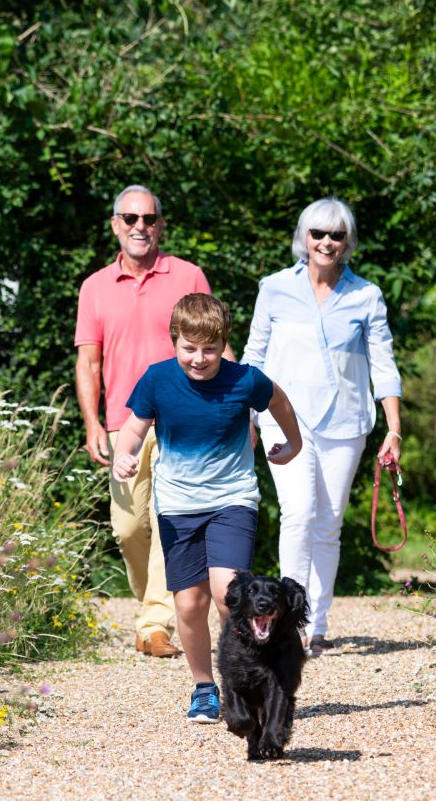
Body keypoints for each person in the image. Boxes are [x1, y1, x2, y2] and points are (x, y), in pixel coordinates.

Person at [112, 293, 301, 722]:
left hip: (232, 499)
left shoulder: (244, 380)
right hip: (178, 506)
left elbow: (280, 402)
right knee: (188, 606)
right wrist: (126, 454)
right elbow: (134, 428)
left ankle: (246, 680)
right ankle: (203, 688)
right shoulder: (157, 380)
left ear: (223, 344)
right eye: (190, 349)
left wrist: (293, 442)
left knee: (227, 593)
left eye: (210, 349)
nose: (200, 359)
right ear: (174, 341)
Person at [241, 198, 402, 656]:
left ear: (347, 241)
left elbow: (384, 366)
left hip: (345, 423)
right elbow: (254, 357)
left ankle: (318, 623)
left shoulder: (365, 295)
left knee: (327, 524)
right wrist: (247, 415)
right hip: (281, 417)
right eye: (318, 234)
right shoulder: (274, 289)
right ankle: (286, 623)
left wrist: (393, 429)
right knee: (297, 512)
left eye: (336, 235)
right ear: (303, 238)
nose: (326, 242)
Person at [75, 185, 215, 658]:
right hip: (123, 424)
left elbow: (213, 346)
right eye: (131, 218)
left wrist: (238, 409)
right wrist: (93, 423)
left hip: (184, 419)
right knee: (129, 527)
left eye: (149, 219)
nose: (141, 227)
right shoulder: (94, 287)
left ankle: (156, 622)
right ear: (115, 224)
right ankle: (151, 607)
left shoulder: (188, 275)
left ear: (161, 225)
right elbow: (88, 364)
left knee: (169, 520)